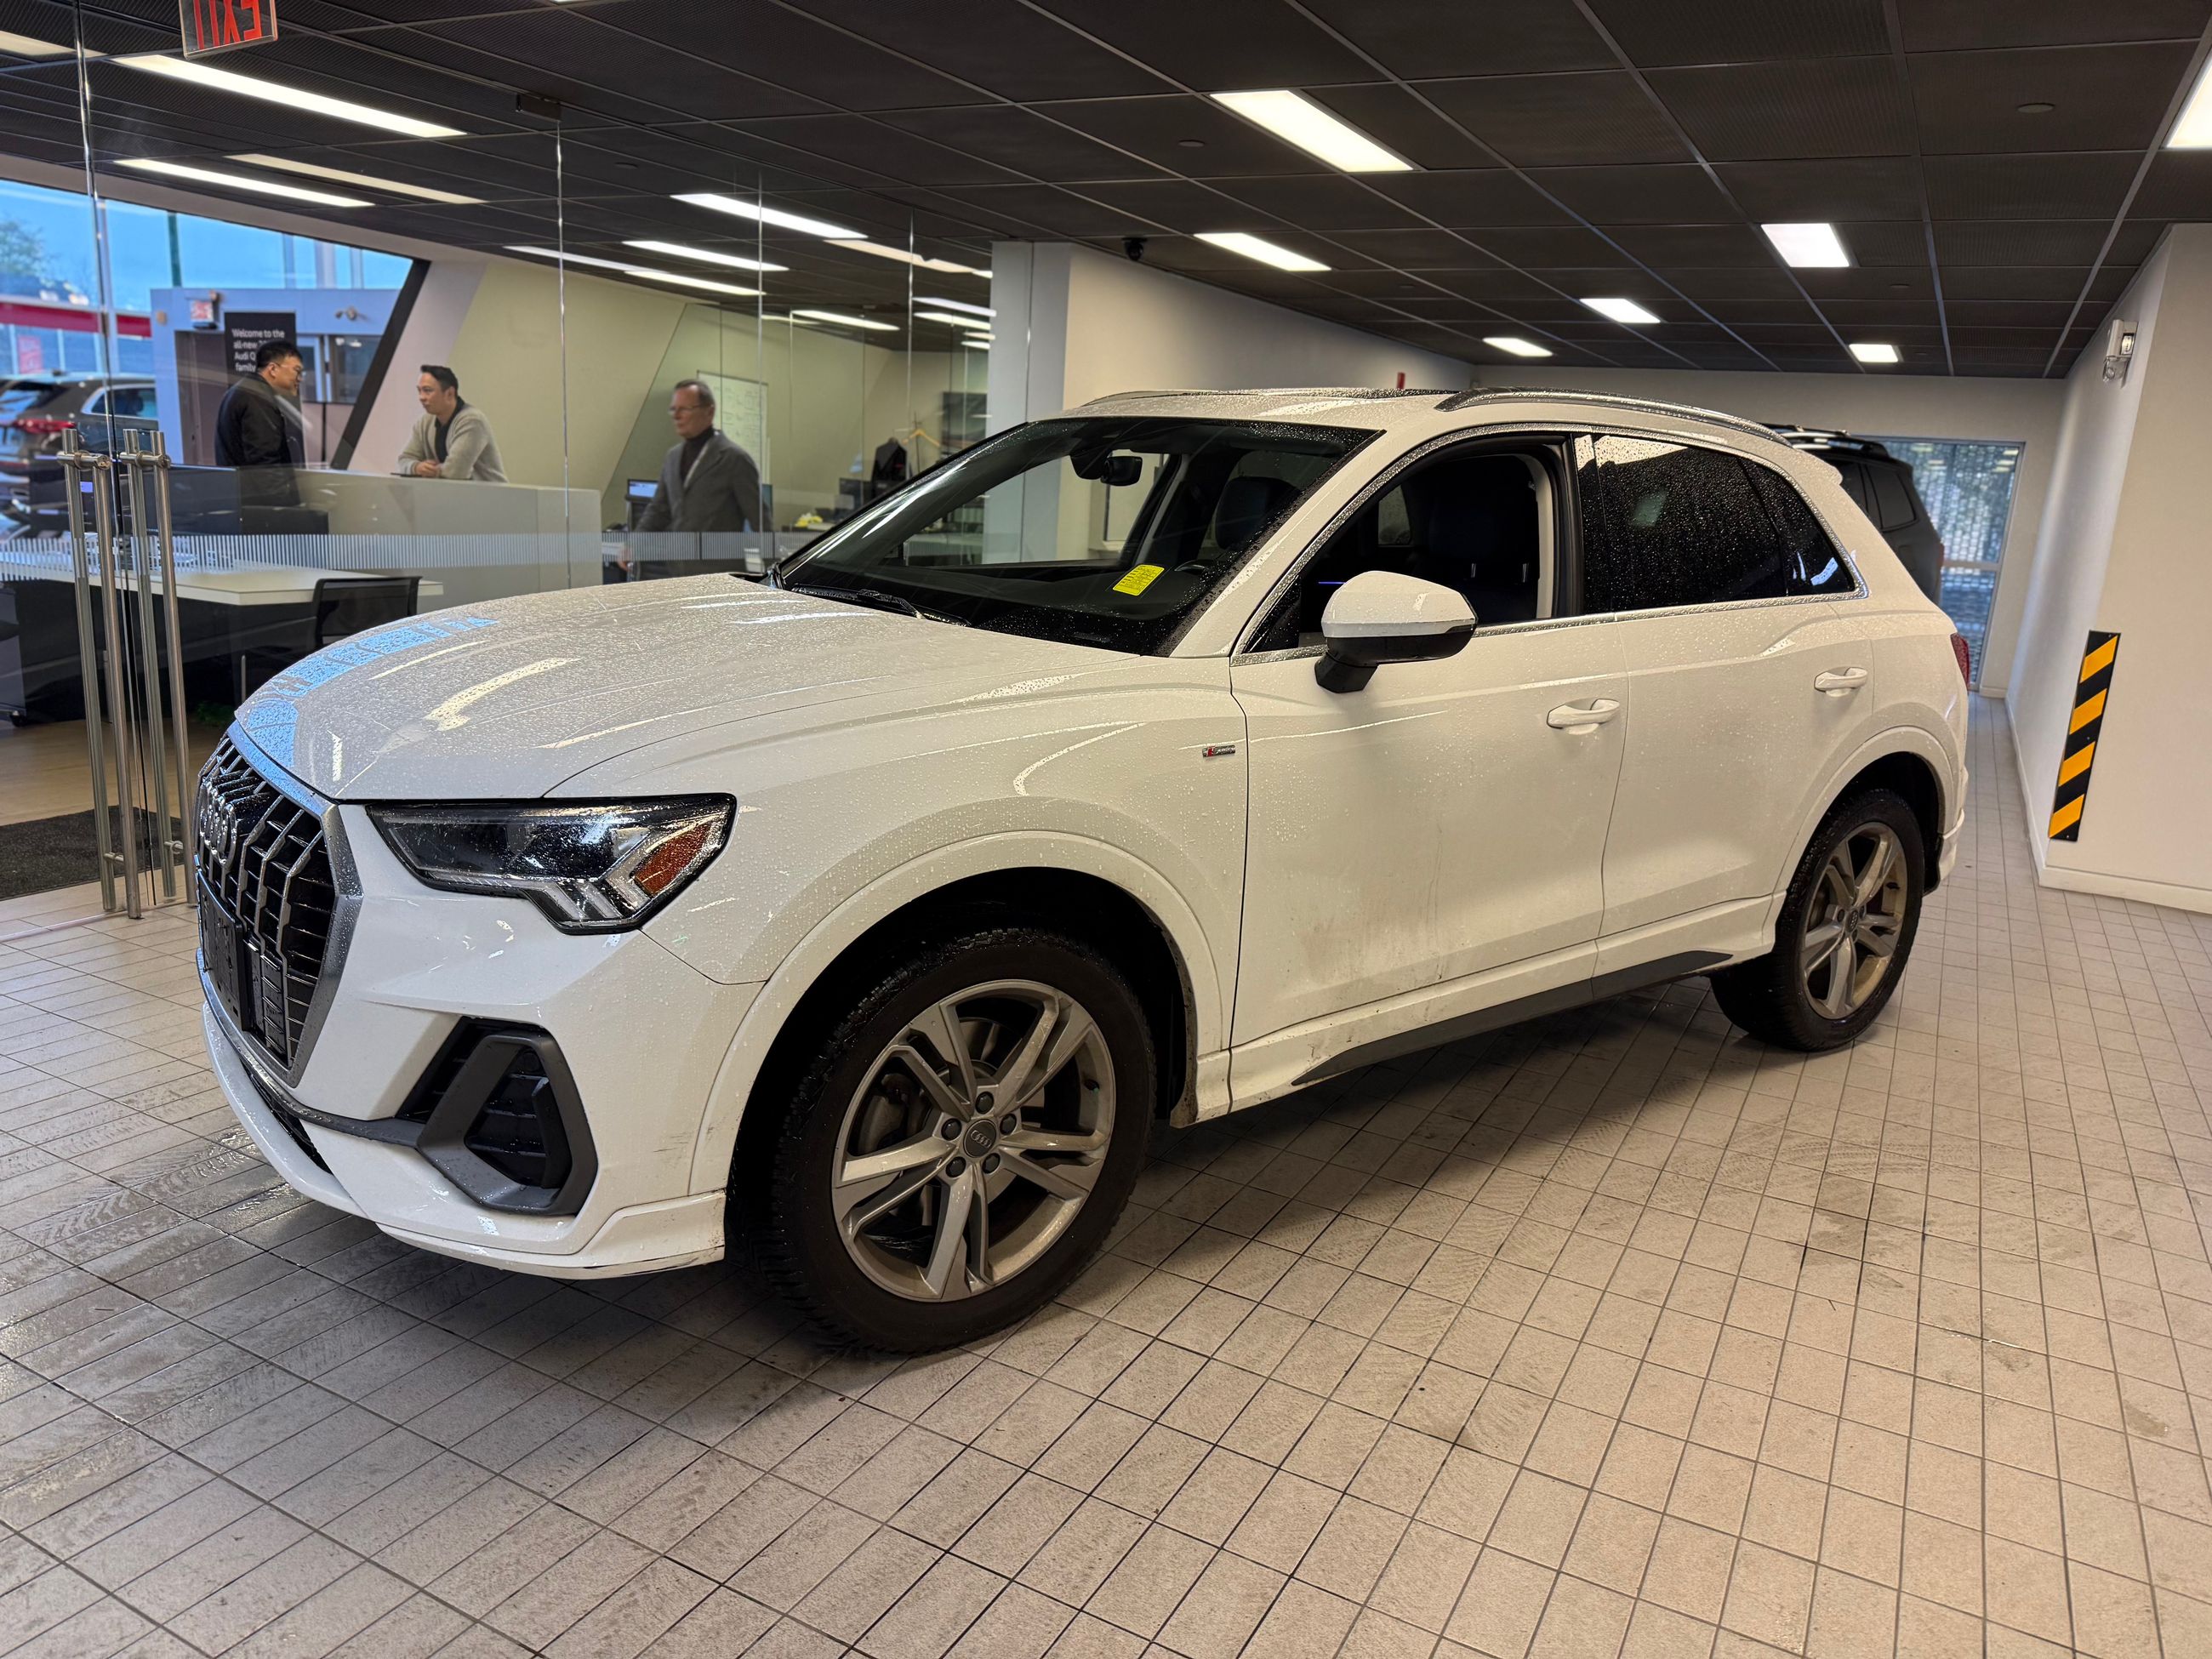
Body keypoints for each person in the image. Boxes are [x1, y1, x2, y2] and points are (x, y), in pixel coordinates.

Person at [638, 379, 761, 533]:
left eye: (684, 409)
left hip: (718, 550)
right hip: (679, 550)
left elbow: (760, 521)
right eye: (673, 409)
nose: (676, 416)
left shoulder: (734, 459)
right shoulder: (672, 457)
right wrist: (634, 543)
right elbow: (658, 510)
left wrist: (770, 550)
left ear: (709, 412)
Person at [214, 339, 305, 503]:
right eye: (296, 371)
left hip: (241, 497)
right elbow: (263, 460)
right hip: (257, 503)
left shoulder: (242, 391)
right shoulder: (257, 399)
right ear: (273, 369)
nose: (300, 379)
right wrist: (283, 504)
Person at [396, 364, 505, 482]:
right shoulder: (424, 422)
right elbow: (404, 459)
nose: (421, 397)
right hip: (451, 493)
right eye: (419, 391)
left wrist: (429, 470)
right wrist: (416, 467)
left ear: (449, 393)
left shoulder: (472, 420)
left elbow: (455, 472)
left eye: (427, 391)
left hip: (488, 494)